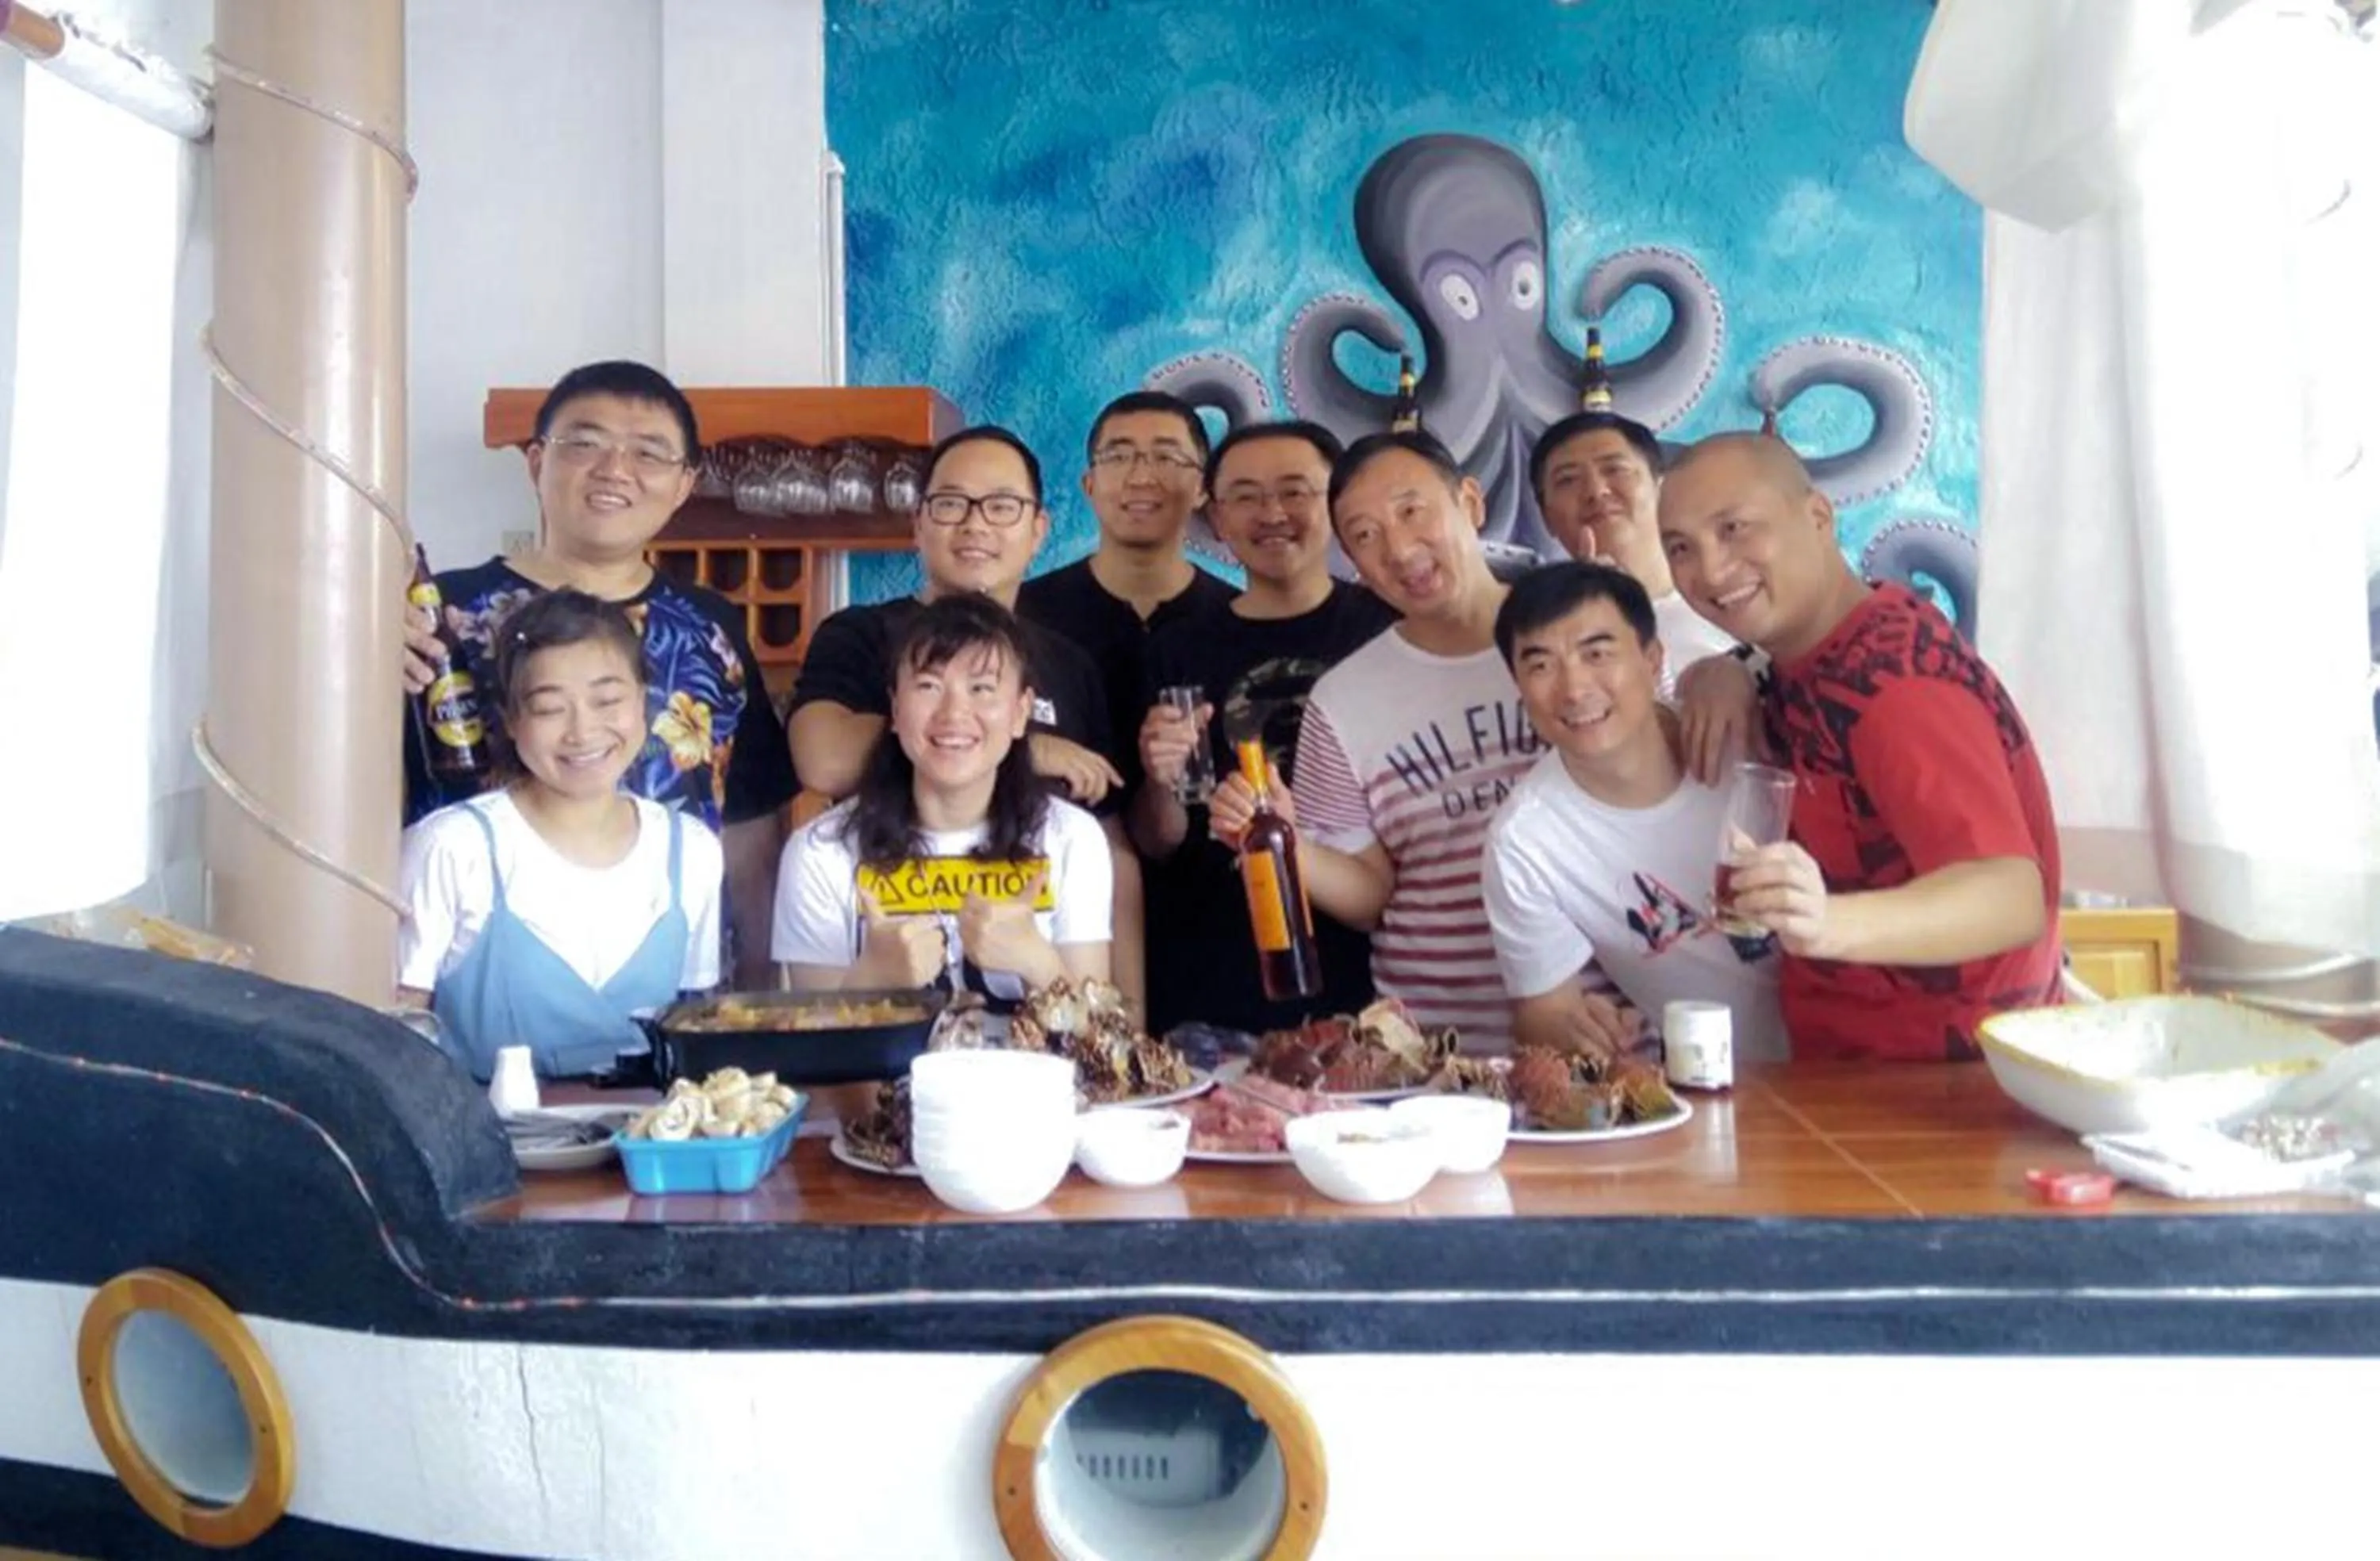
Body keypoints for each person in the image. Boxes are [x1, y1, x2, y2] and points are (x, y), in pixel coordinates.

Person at [1657, 432, 2062, 1061]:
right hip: (1856, 1076)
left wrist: (1826, 923)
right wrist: (1720, 670)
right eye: (1680, 548)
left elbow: (2010, 897)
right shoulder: (1821, 648)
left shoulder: (1896, 688)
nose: (1709, 569)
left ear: (1817, 517)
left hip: (1946, 1091)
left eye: (1734, 528)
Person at [401, 360, 793, 991]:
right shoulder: (437, 618)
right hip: (471, 979)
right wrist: (358, 656)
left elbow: (748, 819)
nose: (615, 470)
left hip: (674, 981)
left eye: (649, 452)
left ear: (685, 483)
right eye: (584, 443)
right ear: (535, 463)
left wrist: (755, 987)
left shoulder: (710, 627)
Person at [787, 426, 1143, 1007]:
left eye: (1002, 506)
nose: (975, 524)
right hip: (874, 924)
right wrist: (1014, 745)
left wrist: (1125, 1021)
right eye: (951, 504)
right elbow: (823, 761)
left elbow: (1109, 838)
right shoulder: (860, 634)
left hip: (1053, 993)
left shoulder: (1069, 661)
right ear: (919, 523)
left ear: (1037, 531)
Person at [1209, 431, 1540, 1052]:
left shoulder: (1578, 640)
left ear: (1469, 502)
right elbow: (1370, 897)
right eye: (1364, 535)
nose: (1398, 548)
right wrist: (1285, 840)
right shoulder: (1343, 699)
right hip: (1435, 1046)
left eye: (1412, 512)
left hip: (1607, 1024)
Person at [1131, 420, 1397, 1034]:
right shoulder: (1177, 647)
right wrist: (1158, 779)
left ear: (1332, 504)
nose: (1271, 512)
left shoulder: (1384, 630)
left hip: (1364, 971)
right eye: (1246, 496)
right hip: (1210, 973)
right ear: (1218, 519)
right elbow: (1159, 839)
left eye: (1295, 491)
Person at [398, 590, 723, 1080]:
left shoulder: (691, 849)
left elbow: (696, 1025)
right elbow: (394, 1029)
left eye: (608, 701)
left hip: (645, 1151)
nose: (582, 731)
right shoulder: (453, 846)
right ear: (511, 721)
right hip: (486, 1150)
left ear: (643, 700)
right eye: (550, 709)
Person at [1482, 562, 1787, 1061]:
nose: (1575, 689)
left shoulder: (1747, 728)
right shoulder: (1525, 841)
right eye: (1541, 665)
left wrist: (1727, 671)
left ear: (1652, 660)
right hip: (1729, 1089)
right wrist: (1575, 1031)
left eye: (1597, 653)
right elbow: (1542, 1009)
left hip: (1871, 1046)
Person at [774, 595, 1111, 1007]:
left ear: (1021, 712)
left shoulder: (1073, 839)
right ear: (896, 709)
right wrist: (871, 982)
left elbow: (1103, 1051)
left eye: (981, 688)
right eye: (929, 686)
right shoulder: (820, 851)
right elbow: (815, 1057)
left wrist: (1040, 967)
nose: (954, 714)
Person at [1017, 389, 1238, 767]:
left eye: (1166, 457)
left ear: (1201, 489)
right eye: (1118, 457)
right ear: (1089, 485)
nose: (1140, 477)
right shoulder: (1023, 616)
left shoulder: (1234, 620)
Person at [1530, 409, 1737, 696]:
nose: (1597, 491)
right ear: (1546, 517)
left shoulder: (1732, 595)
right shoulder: (1541, 637)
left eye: (1615, 470)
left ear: (1660, 488)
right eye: (1568, 480)